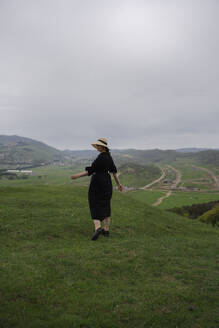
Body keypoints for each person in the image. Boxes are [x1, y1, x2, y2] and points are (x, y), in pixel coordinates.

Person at [71, 138, 123, 240]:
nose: (97, 148)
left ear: (103, 147)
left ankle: (98, 227)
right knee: (106, 205)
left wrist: (76, 176)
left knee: (94, 203)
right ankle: (106, 230)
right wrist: (118, 184)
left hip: (97, 182)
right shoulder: (109, 158)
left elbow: (90, 171)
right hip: (107, 183)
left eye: (98, 146)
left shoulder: (100, 158)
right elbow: (114, 172)